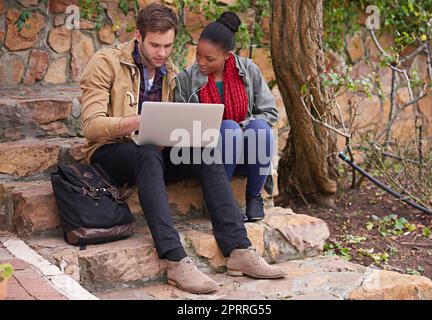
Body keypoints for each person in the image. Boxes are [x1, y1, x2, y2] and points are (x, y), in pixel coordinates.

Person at [79, 3, 284, 295]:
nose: (162, 53)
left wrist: (177, 133)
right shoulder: (106, 62)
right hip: (111, 151)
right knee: (148, 153)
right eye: (155, 45)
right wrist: (137, 122)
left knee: (204, 152)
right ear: (138, 35)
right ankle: (175, 259)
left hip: (154, 152)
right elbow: (91, 126)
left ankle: (238, 248)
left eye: (168, 45)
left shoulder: (171, 72)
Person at [175, 12, 278, 222]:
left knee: (259, 128)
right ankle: (220, 200)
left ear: (227, 56)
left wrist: (242, 128)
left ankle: (253, 196)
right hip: (209, 156)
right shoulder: (186, 79)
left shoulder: (248, 71)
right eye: (198, 55)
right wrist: (222, 130)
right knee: (229, 130)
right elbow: (181, 124)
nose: (201, 63)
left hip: (246, 154)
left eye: (209, 59)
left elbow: (270, 112)